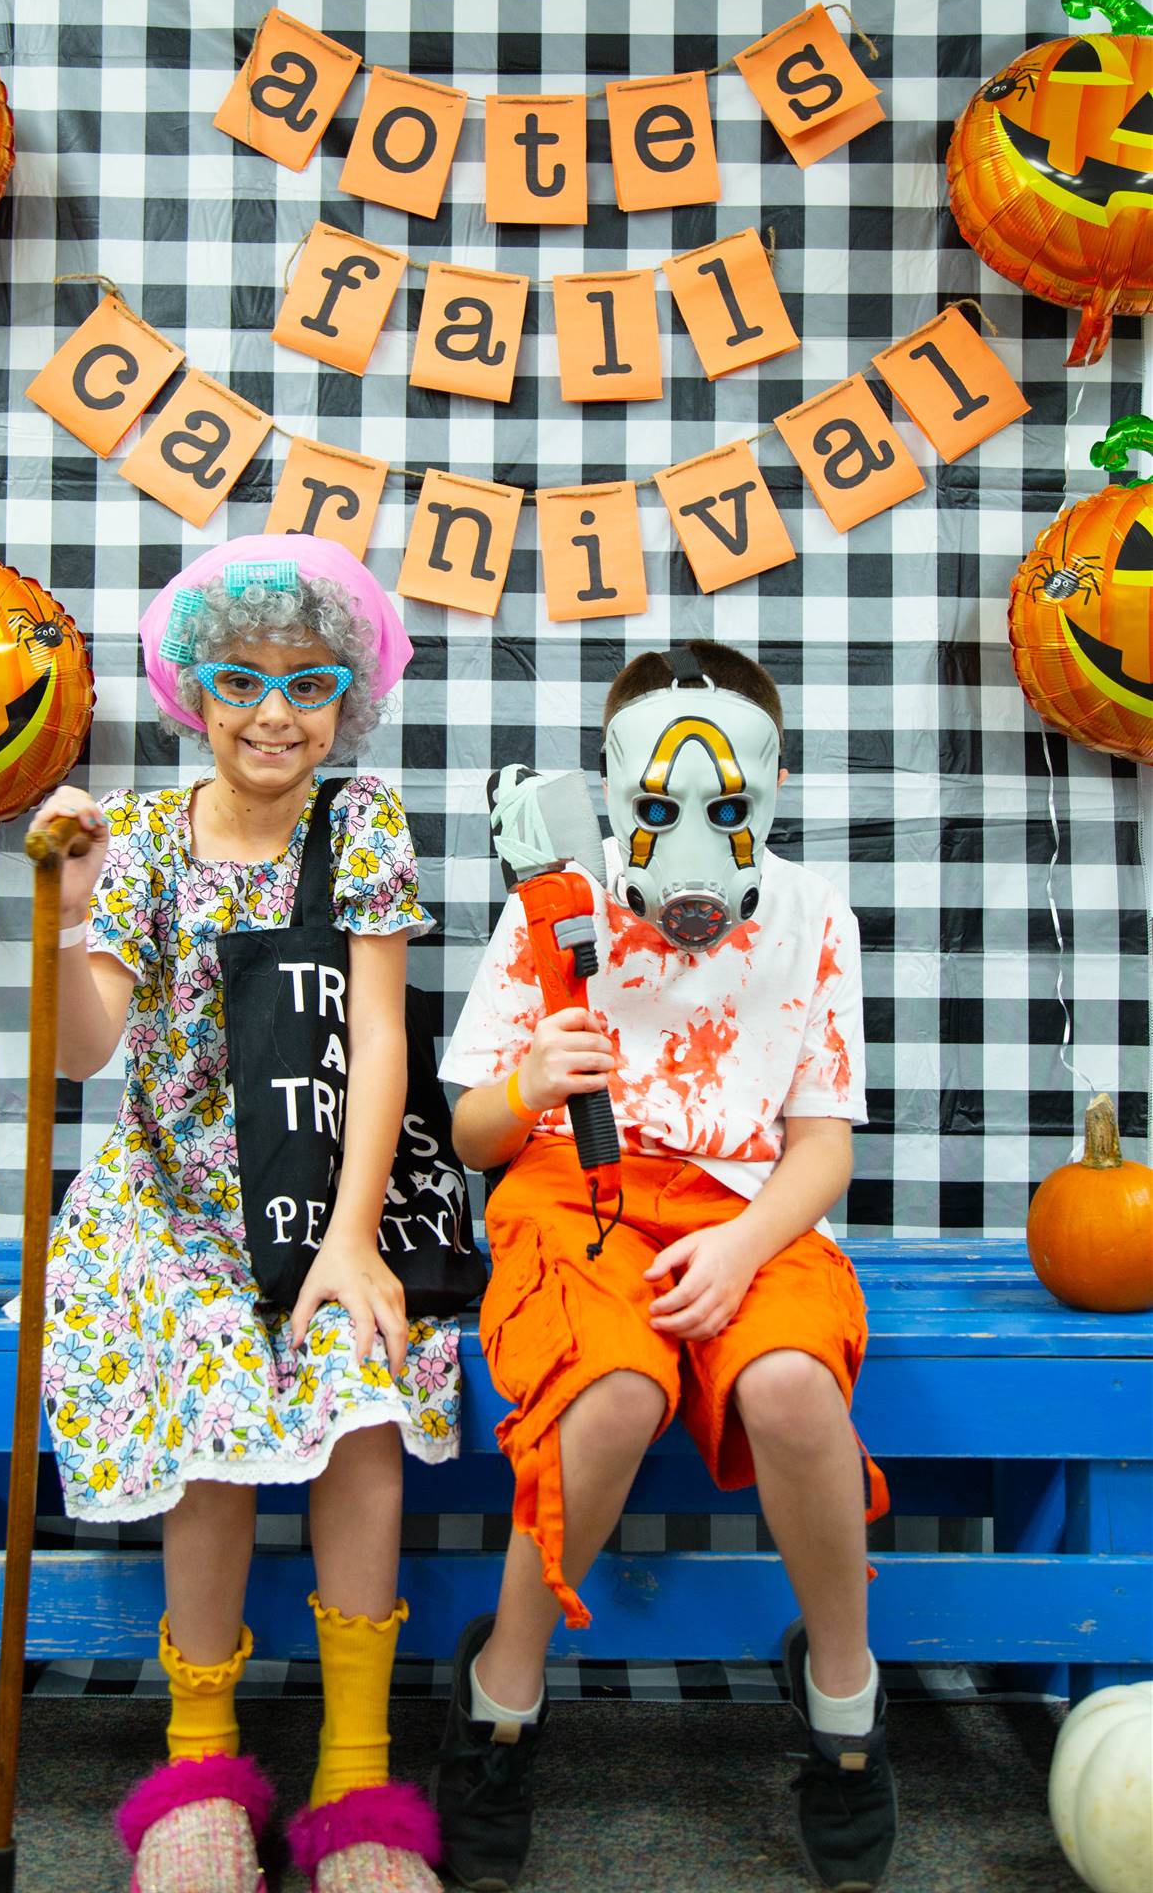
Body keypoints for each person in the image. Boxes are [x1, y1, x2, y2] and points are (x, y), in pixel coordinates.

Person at [433, 640, 896, 1893]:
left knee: (793, 1389)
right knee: (618, 1394)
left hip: (749, 1204)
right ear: (607, 783)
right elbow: (473, 1132)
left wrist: (747, 1248)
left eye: (728, 802)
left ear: (774, 783)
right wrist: (528, 1083)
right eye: (653, 801)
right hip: (573, 1199)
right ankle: (503, 1690)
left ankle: (843, 1698)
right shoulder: (552, 910)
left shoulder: (814, 917)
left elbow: (820, 1145)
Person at [25, 535, 452, 1893]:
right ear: (192, 692)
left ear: (350, 696)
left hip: (326, 1193)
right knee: (213, 1402)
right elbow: (86, 1052)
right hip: (174, 1205)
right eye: (241, 683)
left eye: (309, 683)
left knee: (361, 1399)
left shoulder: (361, 823)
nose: (274, 712)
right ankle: (199, 1764)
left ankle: (357, 1779)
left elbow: (378, 1040)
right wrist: (70, 915)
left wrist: (346, 1238)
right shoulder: (147, 841)